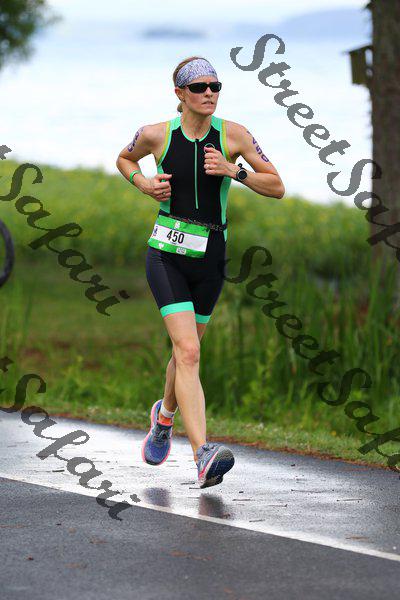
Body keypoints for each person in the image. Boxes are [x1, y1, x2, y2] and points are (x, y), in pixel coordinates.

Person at [116, 56, 284, 488]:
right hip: (166, 254)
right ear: (180, 94)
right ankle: (202, 455)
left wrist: (235, 171)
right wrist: (143, 184)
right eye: (199, 87)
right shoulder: (155, 134)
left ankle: (164, 417)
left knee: (184, 353)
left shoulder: (234, 135)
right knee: (189, 352)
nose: (209, 93)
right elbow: (124, 159)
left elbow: (277, 186)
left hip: (211, 257)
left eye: (215, 86)